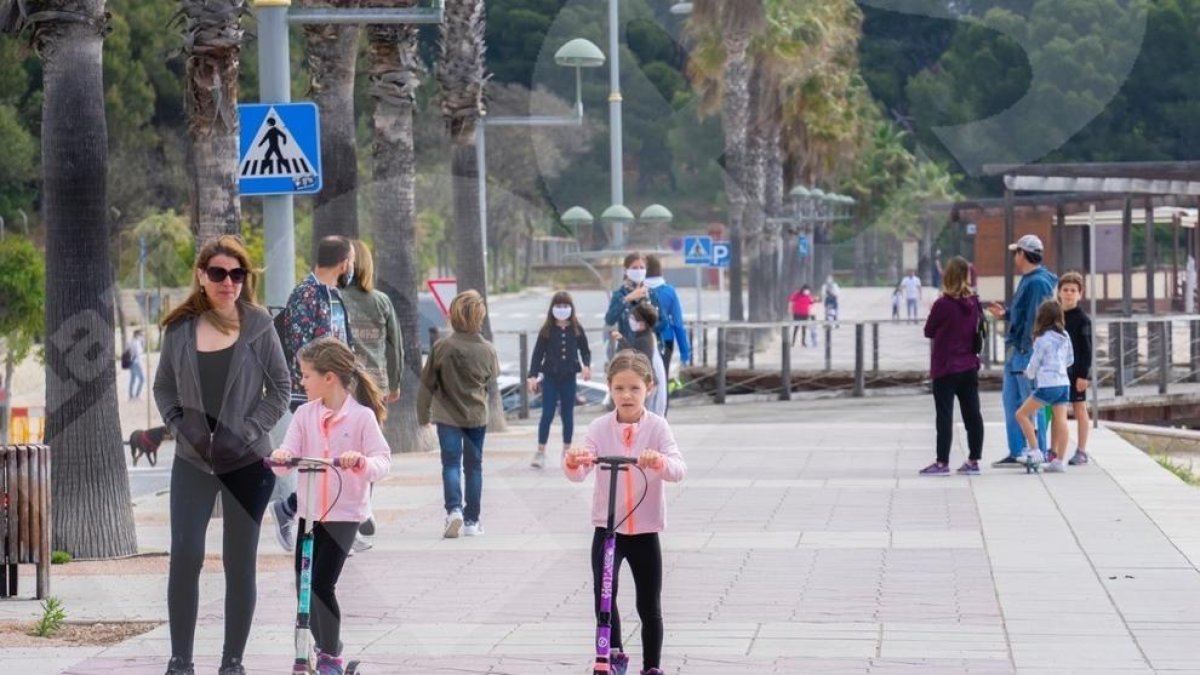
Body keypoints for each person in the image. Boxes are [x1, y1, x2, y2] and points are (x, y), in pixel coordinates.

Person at [153, 236, 291, 675]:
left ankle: (233, 661)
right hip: (193, 461)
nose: (228, 282)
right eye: (218, 273)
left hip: (246, 461)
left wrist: (246, 432)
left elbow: (282, 389)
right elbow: (163, 387)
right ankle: (181, 660)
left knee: (239, 562)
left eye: (236, 274)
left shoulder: (258, 325)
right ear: (201, 276)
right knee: (186, 555)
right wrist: (180, 426)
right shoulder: (179, 329)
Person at [270, 337, 391, 675]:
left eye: (306, 375)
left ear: (329, 378)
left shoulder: (362, 418)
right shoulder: (305, 414)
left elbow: (383, 461)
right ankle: (317, 650)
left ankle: (330, 655)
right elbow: (285, 457)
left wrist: (361, 462)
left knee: (322, 584)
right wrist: (281, 457)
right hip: (309, 514)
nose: (302, 382)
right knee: (303, 587)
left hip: (345, 514)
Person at [564, 350, 687, 675]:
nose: (626, 395)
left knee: (649, 605)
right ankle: (611, 655)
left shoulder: (658, 427)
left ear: (650, 387)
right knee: (604, 596)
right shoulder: (600, 427)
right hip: (608, 531)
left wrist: (657, 461)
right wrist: (575, 459)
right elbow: (579, 471)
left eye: (634, 388)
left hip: (645, 531)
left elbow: (678, 469)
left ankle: (652, 666)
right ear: (610, 388)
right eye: (619, 388)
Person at [270, 236, 356, 552]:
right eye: (352, 261)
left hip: (337, 392)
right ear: (344, 261)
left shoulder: (332, 295)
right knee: (324, 461)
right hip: (312, 396)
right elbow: (301, 348)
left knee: (335, 460)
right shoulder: (305, 295)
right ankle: (292, 509)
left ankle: (304, 512)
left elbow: (342, 341)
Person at [418, 290, 499, 538]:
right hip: (476, 417)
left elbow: (427, 384)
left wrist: (423, 416)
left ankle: (454, 510)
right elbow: (490, 381)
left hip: (447, 418)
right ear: (479, 318)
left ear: (452, 316)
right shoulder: (488, 350)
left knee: (451, 464)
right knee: (474, 468)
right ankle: (472, 521)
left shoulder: (442, 347)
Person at [339, 240, 402, 550]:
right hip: (376, 385)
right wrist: (395, 382)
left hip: (346, 385)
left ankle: (352, 518)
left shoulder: (337, 299)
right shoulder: (381, 302)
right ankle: (364, 508)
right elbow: (395, 346)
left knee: (344, 448)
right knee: (370, 452)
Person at [987, 234, 1059, 468]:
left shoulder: (1037, 282)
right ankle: (1017, 449)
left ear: (1023, 254)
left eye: (1016, 252)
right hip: (1017, 350)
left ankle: (1035, 450)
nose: (1014, 257)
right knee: (1013, 401)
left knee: (1031, 403)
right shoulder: (1030, 280)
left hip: (1025, 351)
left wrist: (1029, 352)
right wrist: (1007, 313)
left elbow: (1035, 320)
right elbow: (1024, 314)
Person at [919, 257, 985, 476]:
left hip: (945, 367)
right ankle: (974, 460)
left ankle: (942, 463)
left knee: (945, 415)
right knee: (973, 414)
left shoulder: (943, 304)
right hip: (969, 365)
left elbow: (928, 331)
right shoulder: (974, 302)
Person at [527, 291, 592, 469]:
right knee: (547, 414)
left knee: (567, 415)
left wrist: (586, 365)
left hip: (569, 377)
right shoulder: (547, 330)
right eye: (558, 306)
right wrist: (532, 376)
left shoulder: (576, 329)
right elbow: (537, 354)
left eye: (565, 306)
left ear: (571, 308)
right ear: (552, 308)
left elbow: (585, 350)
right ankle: (540, 451)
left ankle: (567, 450)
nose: (562, 310)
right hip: (550, 377)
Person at [1015, 300, 1074, 473]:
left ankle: (1035, 450)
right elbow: (1070, 360)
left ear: (1041, 317)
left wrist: (1029, 374)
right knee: (1061, 421)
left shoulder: (1041, 339)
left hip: (1048, 385)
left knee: (1022, 414)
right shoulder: (1065, 335)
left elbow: (1035, 362)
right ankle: (1059, 461)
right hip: (1064, 383)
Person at [1059, 272, 1093, 465]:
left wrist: (1083, 375)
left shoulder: (1083, 319)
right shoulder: (1054, 315)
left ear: (1080, 294)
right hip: (1057, 371)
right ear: (1059, 292)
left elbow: (1087, 349)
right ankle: (1054, 449)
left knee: (1079, 407)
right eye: (1065, 290)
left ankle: (1081, 450)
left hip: (1076, 371)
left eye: (1073, 290)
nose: (1069, 294)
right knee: (1056, 408)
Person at [612, 303, 668, 417]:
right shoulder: (645, 335)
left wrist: (621, 341)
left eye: (634, 318)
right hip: (647, 383)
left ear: (642, 323)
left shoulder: (643, 340)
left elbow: (635, 356)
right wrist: (621, 339)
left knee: (643, 418)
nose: (630, 320)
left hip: (646, 384)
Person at [643, 255, 691, 373]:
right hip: (665, 339)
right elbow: (678, 323)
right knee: (662, 377)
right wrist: (684, 353)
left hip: (641, 340)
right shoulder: (669, 291)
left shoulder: (637, 291)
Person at [605, 252, 660, 344]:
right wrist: (627, 299)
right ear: (626, 270)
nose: (638, 271)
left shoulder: (650, 293)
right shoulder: (620, 294)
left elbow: (663, 321)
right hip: (627, 346)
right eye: (634, 268)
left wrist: (648, 323)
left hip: (648, 346)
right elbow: (610, 320)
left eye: (642, 268)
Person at [129, 329, 146, 400]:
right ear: (137, 335)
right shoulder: (136, 343)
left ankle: (131, 396)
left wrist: (143, 342)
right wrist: (141, 366)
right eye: (141, 335)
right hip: (136, 363)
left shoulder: (134, 342)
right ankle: (136, 395)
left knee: (132, 379)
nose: (142, 336)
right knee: (142, 379)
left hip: (132, 363)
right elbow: (138, 355)